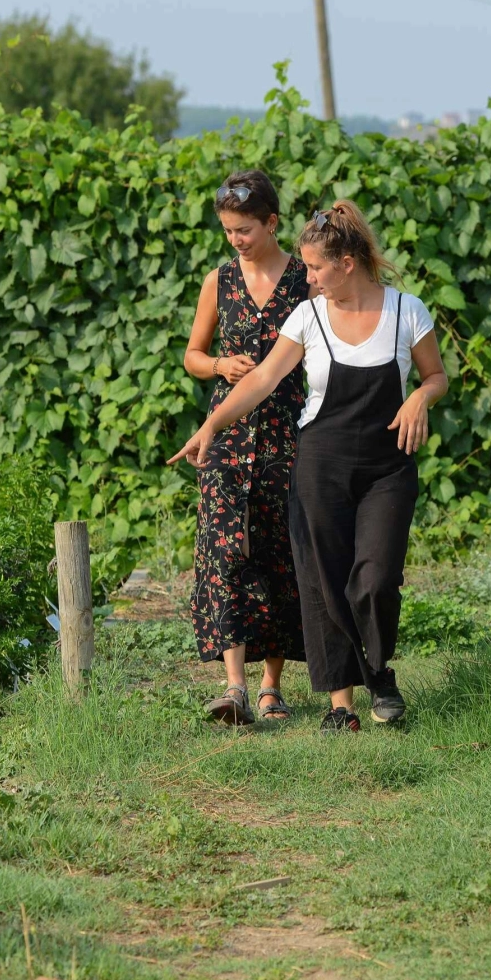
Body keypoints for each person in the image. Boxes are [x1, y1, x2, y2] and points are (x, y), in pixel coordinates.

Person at [170, 200, 447, 731]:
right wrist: (212, 425)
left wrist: (420, 399)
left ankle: (378, 669)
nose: (308, 277)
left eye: (316, 268)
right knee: (323, 581)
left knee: (377, 579)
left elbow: (436, 376)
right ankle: (341, 706)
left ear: (346, 263)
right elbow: (260, 380)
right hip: (320, 464)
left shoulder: (406, 310)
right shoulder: (309, 314)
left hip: (388, 469)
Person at [180, 170, 310, 725]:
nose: (236, 239)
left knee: (281, 553)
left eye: (245, 229)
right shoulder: (219, 281)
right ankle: (233, 686)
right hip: (227, 437)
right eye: (229, 230)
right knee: (226, 553)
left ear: (272, 223)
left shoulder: (308, 279)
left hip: (289, 433)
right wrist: (218, 365)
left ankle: (271, 686)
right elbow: (192, 354)